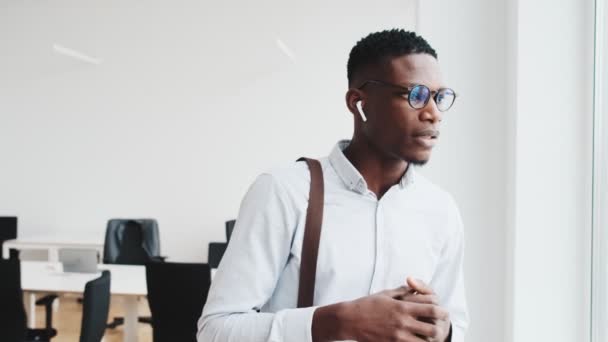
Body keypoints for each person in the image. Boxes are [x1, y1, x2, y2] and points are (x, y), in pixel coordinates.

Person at [198, 29, 469, 342]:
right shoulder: (284, 192)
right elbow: (216, 330)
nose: (433, 113)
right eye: (416, 95)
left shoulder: (441, 210)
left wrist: (443, 331)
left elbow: (456, 325)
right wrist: (338, 321)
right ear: (359, 103)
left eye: (439, 97)